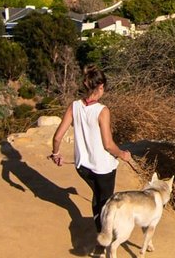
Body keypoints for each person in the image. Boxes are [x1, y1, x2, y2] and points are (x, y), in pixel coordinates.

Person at [50, 68, 135, 235]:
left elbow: (57, 137)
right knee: (106, 202)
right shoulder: (102, 111)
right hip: (102, 167)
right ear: (101, 86)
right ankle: (104, 238)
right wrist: (123, 154)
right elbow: (108, 145)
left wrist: (56, 154)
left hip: (83, 166)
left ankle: (100, 233)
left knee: (97, 197)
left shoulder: (74, 106)